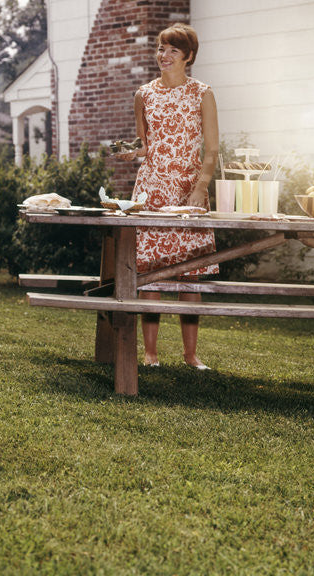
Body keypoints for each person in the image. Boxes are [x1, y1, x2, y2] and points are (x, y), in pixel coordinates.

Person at [116, 23, 219, 369]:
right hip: (152, 189)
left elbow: (212, 149)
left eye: (173, 50)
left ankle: (190, 355)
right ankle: (150, 352)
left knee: (191, 273)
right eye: (161, 48)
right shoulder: (143, 95)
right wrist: (133, 153)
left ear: (188, 57)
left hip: (190, 189)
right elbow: (145, 146)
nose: (164, 55)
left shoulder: (202, 93)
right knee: (150, 272)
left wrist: (201, 187)